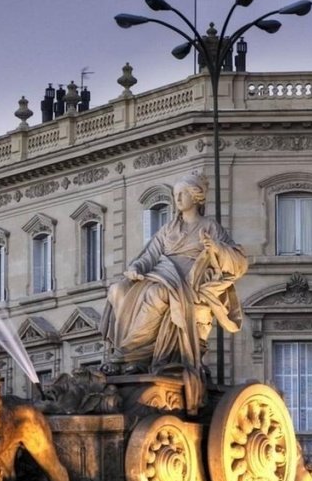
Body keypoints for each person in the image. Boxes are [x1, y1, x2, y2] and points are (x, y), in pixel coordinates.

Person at [101, 170, 247, 409]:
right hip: (160, 272)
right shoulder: (169, 228)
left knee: (156, 294)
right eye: (176, 194)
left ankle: (129, 354)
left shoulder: (209, 227)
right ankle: (126, 356)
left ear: (196, 197)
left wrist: (217, 248)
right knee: (117, 289)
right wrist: (136, 267)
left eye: (183, 194)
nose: (178, 199)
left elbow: (239, 262)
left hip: (187, 281)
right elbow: (150, 254)